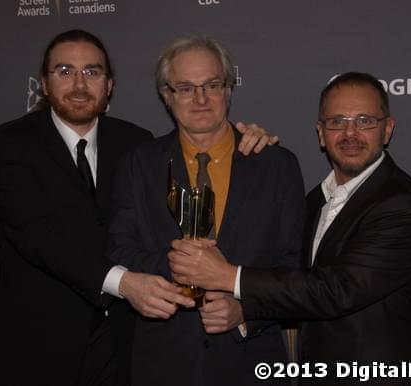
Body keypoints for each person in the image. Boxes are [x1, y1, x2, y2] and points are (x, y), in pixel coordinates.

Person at [0, 29, 276, 386]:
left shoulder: (136, 143)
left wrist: (241, 136)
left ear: (110, 84)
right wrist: (125, 283)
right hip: (35, 348)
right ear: (43, 82)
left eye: (93, 72)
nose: (80, 84)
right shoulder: (8, 145)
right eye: (65, 71)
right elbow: (39, 237)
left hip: (123, 350)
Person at [169, 72, 411, 385]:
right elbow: (296, 282)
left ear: (387, 129)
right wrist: (244, 311)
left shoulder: (401, 205)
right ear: (321, 133)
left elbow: (335, 290)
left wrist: (228, 276)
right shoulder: (315, 200)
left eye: (364, 120)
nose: (350, 133)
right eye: (337, 122)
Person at [106, 35, 306, 386]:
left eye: (212, 84)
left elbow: (295, 270)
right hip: (162, 366)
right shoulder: (137, 165)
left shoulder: (276, 165)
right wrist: (178, 266)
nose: (200, 98)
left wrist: (247, 312)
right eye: (185, 88)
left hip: (252, 365)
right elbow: (119, 249)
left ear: (229, 89)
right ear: (167, 96)